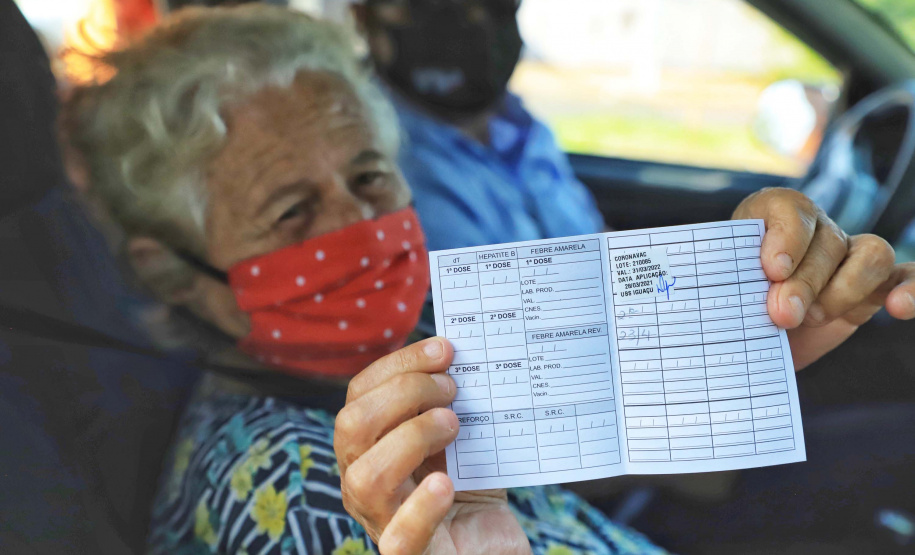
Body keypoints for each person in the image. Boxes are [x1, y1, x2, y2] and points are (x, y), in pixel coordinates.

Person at [63, 5, 915, 554]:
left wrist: (726, 339)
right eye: (290, 212)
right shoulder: (292, 489)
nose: (358, 225)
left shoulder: (425, 337)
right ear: (173, 269)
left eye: (368, 176)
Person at [353, 0, 605, 252]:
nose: (459, 20)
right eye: (419, 4)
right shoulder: (374, 162)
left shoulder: (523, 129)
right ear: (361, 17)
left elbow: (593, 238)